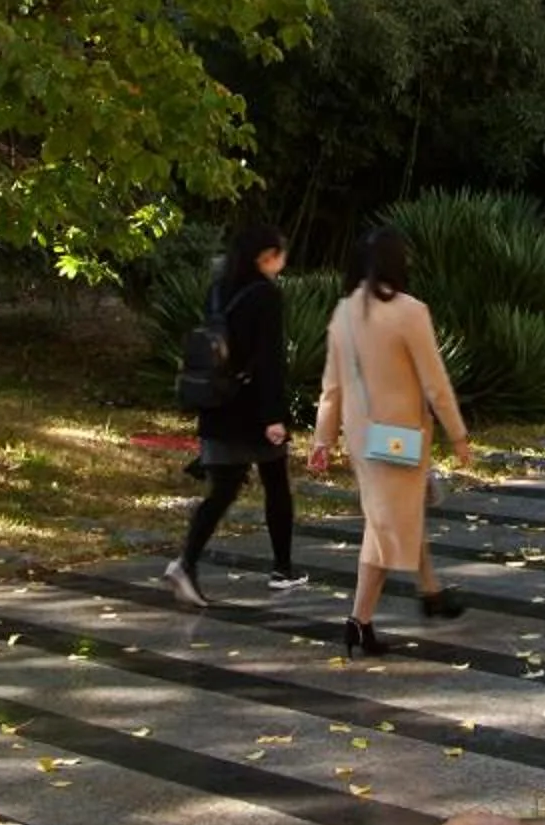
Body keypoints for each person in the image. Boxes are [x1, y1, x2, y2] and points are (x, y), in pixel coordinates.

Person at [308, 225, 473, 657]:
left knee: (395, 515)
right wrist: (458, 434)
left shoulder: (344, 312)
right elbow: (435, 383)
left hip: (361, 436)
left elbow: (331, 387)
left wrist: (323, 439)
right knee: (386, 526)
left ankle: (429, 592)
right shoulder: (410, 311)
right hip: (399, 437)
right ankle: (359, 620)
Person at [166, 222, 310, 609]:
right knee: (274, 482)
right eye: (280, 253)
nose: (283, 260)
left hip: (216, 400)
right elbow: (269, 360)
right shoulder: (266, 295)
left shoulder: (218, 290)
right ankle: (278, 569)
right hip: (251, 407)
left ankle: (189, 562)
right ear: (265, 256)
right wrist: (274, 416)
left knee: (224, 489)